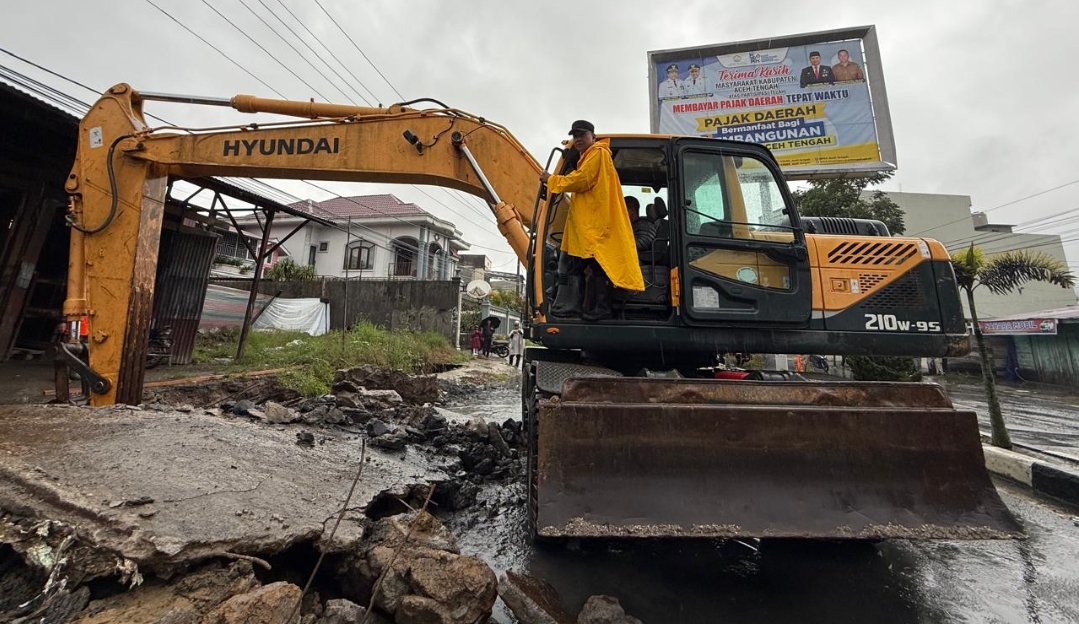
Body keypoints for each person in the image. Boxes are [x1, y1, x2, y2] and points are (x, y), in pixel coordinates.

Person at [540, 120, 644, 321]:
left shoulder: (598, 153)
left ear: (593, 136)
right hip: (587, 225)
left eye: (582, 135)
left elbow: (582, 179)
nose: (578, 139)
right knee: (577, 264)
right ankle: (575, 306)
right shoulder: (587, 157)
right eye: (575, 135)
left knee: (596, 266)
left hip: (595, 225)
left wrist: (552, 180)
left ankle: (598, 308)